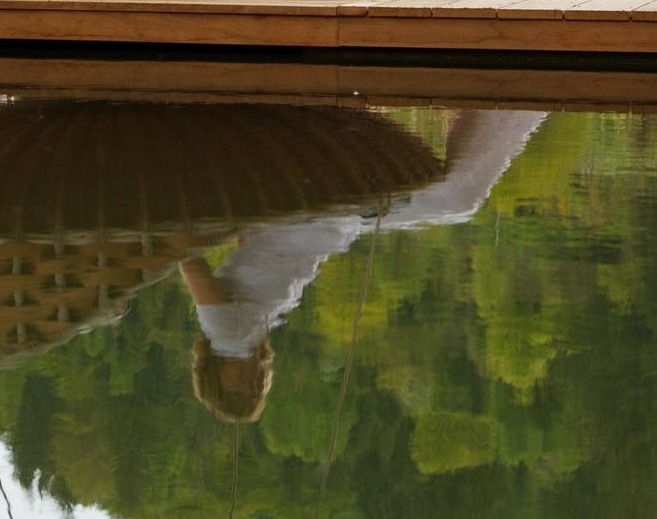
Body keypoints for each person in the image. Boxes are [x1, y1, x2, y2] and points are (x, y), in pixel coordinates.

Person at [180, 107, 548, 422]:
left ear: (214, 374)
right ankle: (507, 104)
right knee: (457, 202)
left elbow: (189, 263)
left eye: (237, 387)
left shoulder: (229, 337)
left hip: (326, 208)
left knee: (458, 199)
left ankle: (515, 103)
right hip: (333, 218)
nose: (251, 381)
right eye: (255, 390)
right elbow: (256, 256)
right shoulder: (255, 326)